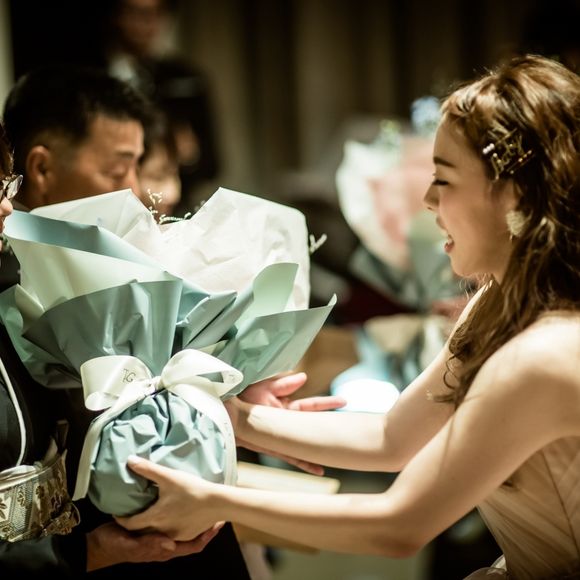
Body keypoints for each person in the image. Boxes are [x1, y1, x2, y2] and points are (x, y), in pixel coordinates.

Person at [117, 54, 580, 579]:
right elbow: (391, 439)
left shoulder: (544, 354)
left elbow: (400, 524)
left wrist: (212, 501)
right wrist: (233, 418)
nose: (427, 200)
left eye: (444, 180)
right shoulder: (495, 304)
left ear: (513, 195)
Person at [2, 64, 344, 577]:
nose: (137, 192)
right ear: (41, 169)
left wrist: (225, 392)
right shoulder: (14, 295)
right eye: (117, 172)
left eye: (140, 168)